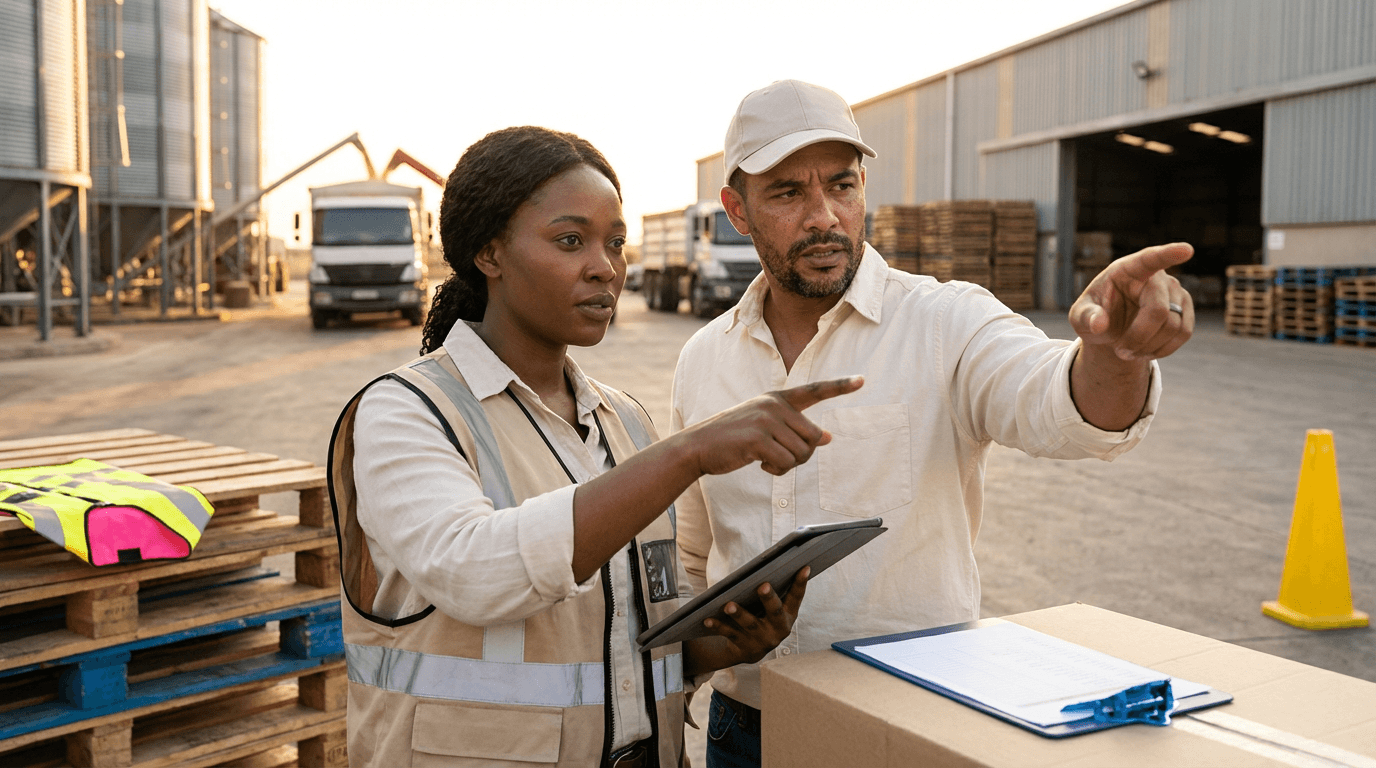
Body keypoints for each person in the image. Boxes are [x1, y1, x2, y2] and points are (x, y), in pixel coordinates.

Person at [670, 80, 1196, 767]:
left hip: (908, 724)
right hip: (746, 732)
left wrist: (1113, 353)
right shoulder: (703, 360)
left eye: (843, 185)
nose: (825, 216)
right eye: (788, 193)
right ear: (738, 209)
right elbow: (689, 552)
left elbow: (1058, 407)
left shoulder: (946, 322)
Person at [327, 125, 861, 768]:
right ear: (489, 253)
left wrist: (721, 645)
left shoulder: (624, 422)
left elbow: (628, 648)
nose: (605, 268)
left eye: (615, 243)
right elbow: (475, 572)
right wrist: (688, 452)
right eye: (570, 240)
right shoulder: (406, 413)